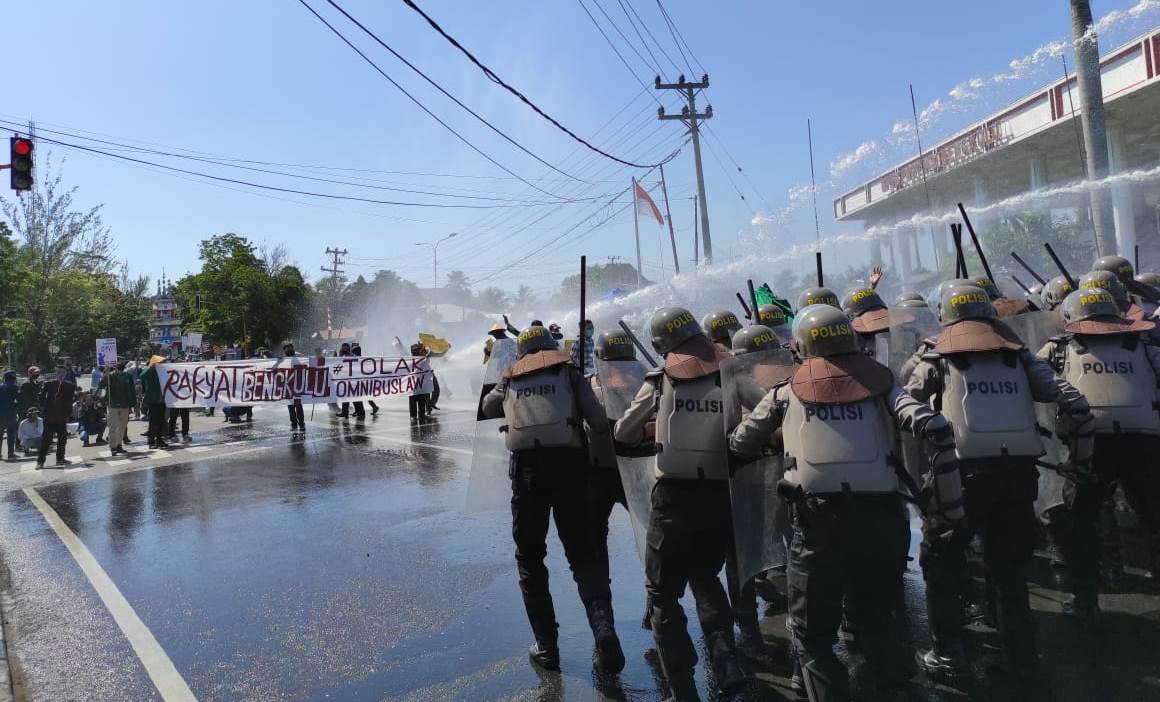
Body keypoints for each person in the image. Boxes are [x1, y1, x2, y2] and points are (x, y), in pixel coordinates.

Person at [730, 304, 958, 701]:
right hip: (882, 517)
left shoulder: (786, 391)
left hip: (817, 524)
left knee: (812, 634)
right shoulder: (882, 384)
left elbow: (741, 442)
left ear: (800, 346)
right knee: (880, 619)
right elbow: (932, 424)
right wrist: (946, 499)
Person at [904, 283, 1092, 678]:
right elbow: (1066, 396)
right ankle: (1021, 658)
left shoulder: (936, 355)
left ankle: (948, 654)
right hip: (1017, 476)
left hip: (959, 478)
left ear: (944, 315)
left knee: (941, 562)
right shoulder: (1018, 356)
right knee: (1009, 571)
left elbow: (907, 400)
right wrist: (1078, 455)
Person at [613, 308, 745, 700]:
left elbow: (623, 432)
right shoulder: (731, 371)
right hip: (719, 495)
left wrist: (657, 425)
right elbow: (764, 412)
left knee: (662, 594)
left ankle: (683, 686)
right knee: (706, 578)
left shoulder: (659, 380)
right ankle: (727, 663)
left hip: (672, 498)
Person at [480, 325, 623, 674]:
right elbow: (597, 421)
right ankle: (603, 628)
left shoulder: (510, 376)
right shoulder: (569, 372)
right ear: (550, 345)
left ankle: (547, 647)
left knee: (530, 560)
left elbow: (488, 407)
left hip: (527, 477)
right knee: (583, 555)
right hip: (571, 471)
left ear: (522, 352)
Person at [1036, 289, 1160, 619]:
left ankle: (1085, 601)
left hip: (1088, 445)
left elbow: (1032, 379)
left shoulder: (1059, 348)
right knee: (1154, 520)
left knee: (1081, 522)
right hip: (1144, 442)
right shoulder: (1143, 347)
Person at [38, 363, 77, 468]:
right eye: (59, 372)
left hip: (62, 417)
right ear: (56, 373)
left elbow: (70, 401)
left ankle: (60, 459)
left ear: (66, 374)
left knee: (62, 439)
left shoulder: (69, 385)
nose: (61, 375)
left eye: (63, 372)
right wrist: (44, 409)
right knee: (46, 440)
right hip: (49, 417)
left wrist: (68, 414)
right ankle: (40, 461)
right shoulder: (49, 384)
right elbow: (41, 397)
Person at [100, 362, 136, 455]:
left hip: (125, 405)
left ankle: (119, 445)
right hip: (113, 405)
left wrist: (132, 403)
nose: (119, 369)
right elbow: (102, 386)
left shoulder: (128, 376)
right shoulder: (110, 376)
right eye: (117, 367)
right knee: (113, 427)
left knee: (122, 427)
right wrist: (105, 374)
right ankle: (113, 446)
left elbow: (132, 390)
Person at [139, 355, 170, 449]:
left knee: (161, 421)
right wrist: (151, 367)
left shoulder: (163, 371)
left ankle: (159, 440)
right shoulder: (150, 371)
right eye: (160, 362)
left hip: (162, 400)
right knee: (153, 422)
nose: (162, 364)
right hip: (153, 400)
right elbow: (142, 376)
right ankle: (151, 441)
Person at [337, 342, 366, 419]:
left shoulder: (351, 355)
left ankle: (360, 412)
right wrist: (340, 355)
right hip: (345, 379)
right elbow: (337, 363)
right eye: (343, 347)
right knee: (346, 396)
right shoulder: (342, 355)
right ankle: (345, 412)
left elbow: (357, 362)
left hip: (352, 380)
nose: (344, 348)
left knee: (354, 396)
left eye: (345, 347)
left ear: (348, 348)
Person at [350, 341, 379, 416]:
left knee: (359, 395)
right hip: (358, 378)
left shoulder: (357, 355)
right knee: (361, 395)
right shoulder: (357, 356)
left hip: (360, 379)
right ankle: (373, 407)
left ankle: (372, 407)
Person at [284, 343, 306, 433]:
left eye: (290, 348)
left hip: (298, 385)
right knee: (290, 406)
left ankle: (301, 423)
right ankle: (293, 424)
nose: (289, 350)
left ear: (293, 348)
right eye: (287, 348)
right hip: (288, 386)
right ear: (285, 350)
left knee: (298, 405)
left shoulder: (299, 358)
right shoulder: (283, 360)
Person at [0, 370, 19, 460]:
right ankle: (10, 453)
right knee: (11, 434)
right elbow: (18, 400)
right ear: (13, 378)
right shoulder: (14, 387)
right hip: (10, 414)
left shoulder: (0, 386)